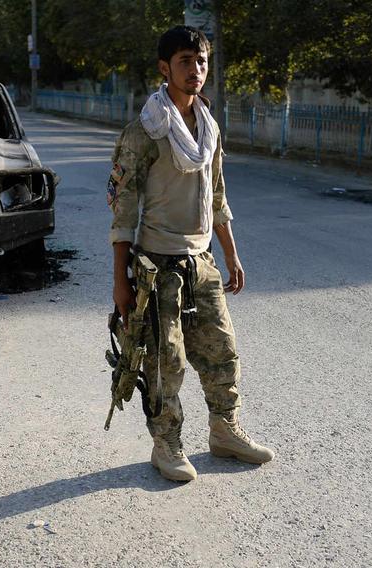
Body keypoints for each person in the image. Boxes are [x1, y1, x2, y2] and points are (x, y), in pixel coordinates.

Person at [107, 25, 274, 482]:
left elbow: (216, 196)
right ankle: (166, 444)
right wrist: (121, 281)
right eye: (186, 61)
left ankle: (224, 431)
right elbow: (123, 212)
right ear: (165, 68)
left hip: (202, 262)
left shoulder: (209, 128)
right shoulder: (144, 132)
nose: (196, 70)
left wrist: (231, 255)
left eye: (202, 61)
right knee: (167, 363)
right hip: (157, 265)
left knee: (223, 352)